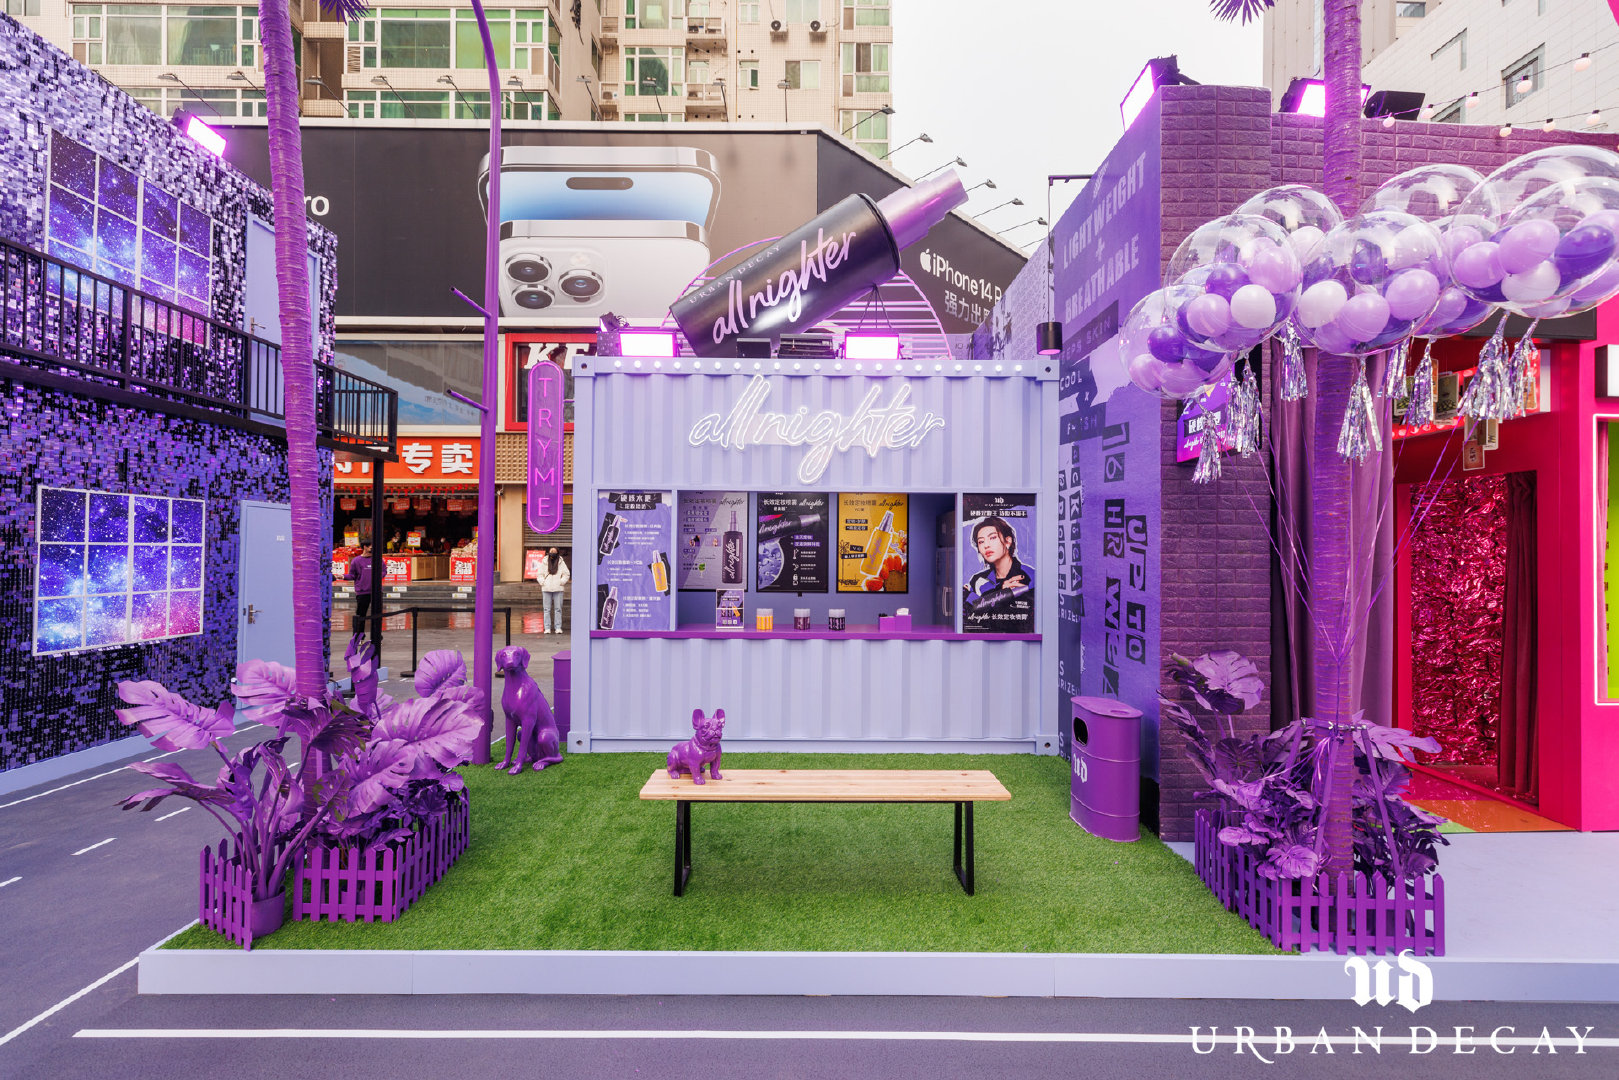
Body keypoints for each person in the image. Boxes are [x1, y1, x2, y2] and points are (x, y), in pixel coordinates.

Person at [963, 516, 1034, 632]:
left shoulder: (1030, 576)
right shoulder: (977, 580)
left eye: (992, 538)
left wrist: (991, 599)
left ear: (1008, 541)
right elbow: (969, 615)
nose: (986, 545)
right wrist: (1002, 592)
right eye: (981, 542)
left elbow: (1025, 621)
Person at [537, 547, 570, 634]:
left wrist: (561, 582)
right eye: (551, 551)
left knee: (558, 609)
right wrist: (542, 582)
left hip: (558, 588)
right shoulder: (544, 562)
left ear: (557, 553)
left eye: (554, 551)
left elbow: (566, 574)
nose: (552, 553)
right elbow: (539, 574)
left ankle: (558, 627)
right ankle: (547, 628)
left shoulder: (561, 562)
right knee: (546, 609)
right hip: (546, 588)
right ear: (548, 552)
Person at [347, 542, 375, 631]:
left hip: (376, 591)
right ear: (365, 547)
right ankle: (359, 635)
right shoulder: (356, 560)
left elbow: (384, 571)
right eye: (371, 546)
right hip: (362, 592)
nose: (372, 548)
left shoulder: (377, 559)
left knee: (377, 616)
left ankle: (377, 636)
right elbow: (352, 575)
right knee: (360, 615)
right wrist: (341, 577)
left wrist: (377, 576)